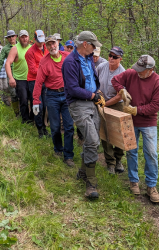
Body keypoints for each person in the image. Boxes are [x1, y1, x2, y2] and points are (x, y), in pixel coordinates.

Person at [112, 54, 159, 203]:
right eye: (138, 68)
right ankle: (133, 181)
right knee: (131, 151)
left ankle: (151, 185)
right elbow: (115, 80)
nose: (138, 72)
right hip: (130, 121)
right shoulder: (131, 73)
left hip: (148, 122)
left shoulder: (158, 83)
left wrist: (136, 110)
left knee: (152, 153)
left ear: (151, 69)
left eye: (142, 70)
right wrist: (122, 90)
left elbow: (155, 106)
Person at [62, 31, 104, 199]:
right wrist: (93, 95)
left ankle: (82, 171)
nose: (95, 48)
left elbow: (92, 80)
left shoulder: (88, 58)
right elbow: (72, 88)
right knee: (93, 141)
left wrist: (98, 92)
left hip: (92, 102)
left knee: (91, 140)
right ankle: (91, 183)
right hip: (79, 103)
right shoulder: (70, 62)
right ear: (85, 44)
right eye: (93, 45)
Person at [33, 35, 74, 167]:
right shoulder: (44, 62)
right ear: (46, 45)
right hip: (52, 96)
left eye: (54, 43)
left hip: (67, 94)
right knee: (55, 127)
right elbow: (38, 82)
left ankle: (68, 155)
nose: (52, 46)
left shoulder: (68, 57)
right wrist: (35, 101)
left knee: (69, 126)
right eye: (49, 44)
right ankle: (58, 149)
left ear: (58, 43)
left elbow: (79, 69)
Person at [95, 46, 126, 174]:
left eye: (115, 57)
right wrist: (97, 92)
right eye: (110, 55)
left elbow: (120, 95)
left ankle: (118, 159)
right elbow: (94, 81)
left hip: (117, 105)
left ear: (120, 59)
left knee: (119, 133)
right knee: (105, 134)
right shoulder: (101, 67)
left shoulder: (122, 73)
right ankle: (110, 162)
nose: (111, 58)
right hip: (102, 102)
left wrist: (106, 104)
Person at [5, 30, 33, 124]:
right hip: (20, 79)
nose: (24, 39)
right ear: (19, 38)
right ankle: (25, 120)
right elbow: (8, 63)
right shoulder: (15, 49)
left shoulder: (32, 48)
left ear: (29, 37)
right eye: (22, 37)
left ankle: (32, 119)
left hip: (32, 78)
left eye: (26, 37)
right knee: (24, 100)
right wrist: (11, 78)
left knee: (33, 100)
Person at [26, 30, 48, 138]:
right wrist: (47, 71)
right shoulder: (30, 52)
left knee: (45, 106)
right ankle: (39, 130)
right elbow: (33, 70)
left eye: (43, 41)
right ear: (34, 39)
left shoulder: (47, 49)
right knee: (38, 105)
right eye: (39, 41)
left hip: (46, 81)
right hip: (34, 81)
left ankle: (44, 127)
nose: (41, 43)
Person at [0, 30, 19, 113]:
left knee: (23, 93)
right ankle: (16, 112)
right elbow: (0, 61)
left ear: (16, 36)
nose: (11, 38)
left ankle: (24, 112)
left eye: (12, 36)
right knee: (13, 93)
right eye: (9, 37)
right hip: (11, 73)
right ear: (7, 38)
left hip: (22, 72)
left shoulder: (21, 45)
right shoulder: (5, 49)